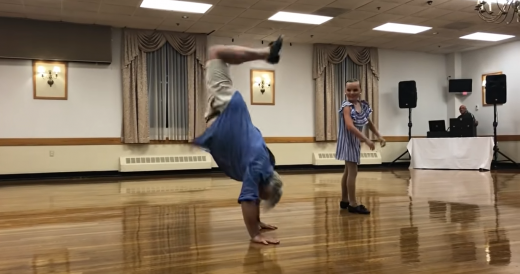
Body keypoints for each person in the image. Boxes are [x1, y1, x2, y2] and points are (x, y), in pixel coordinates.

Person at [193, 36, 285, 245]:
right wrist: (256, 232)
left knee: (217, 52)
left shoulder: (264, 164)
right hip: (224, 110)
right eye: (266, 196)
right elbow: (248, 199)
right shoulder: (258, 167)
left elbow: (252, 197)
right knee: (216, 51)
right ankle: (266, 54)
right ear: (267, 182)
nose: (262, 198)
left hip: (227, 112)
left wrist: (257, 226)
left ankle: (266, 54)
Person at [335, 79, 386, 214]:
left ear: (360, 91)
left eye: (355, 90)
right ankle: (353, 203)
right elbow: (350, 126)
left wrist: (378, 135)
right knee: (353, 171)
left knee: (347, 171)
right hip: (347, 141)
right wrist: (366, 140)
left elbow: (369, 122)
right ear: (345, 91)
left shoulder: (362, 105)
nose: (351, 93)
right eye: (349, 90)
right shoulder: (346, 106)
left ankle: (345, 200)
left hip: (354, 141)